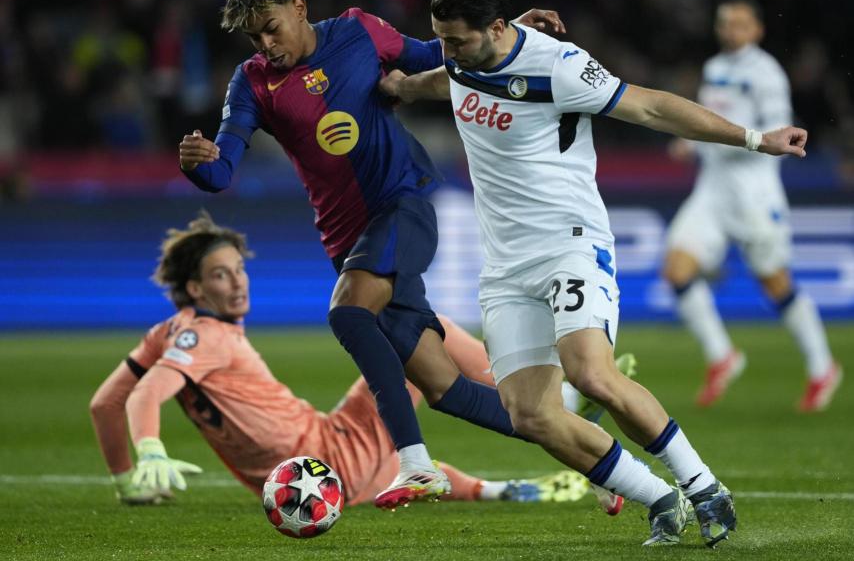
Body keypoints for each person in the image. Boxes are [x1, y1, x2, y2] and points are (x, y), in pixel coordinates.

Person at [379, 0, 809, 547]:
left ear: (496, 27)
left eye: (456, 40)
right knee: (530, 415)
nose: (448, 50)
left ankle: (704, 487)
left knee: (589, 373)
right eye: (441, 38)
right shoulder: (462, 58)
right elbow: (444, 80)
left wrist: (756, 139)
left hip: (569, 241)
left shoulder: (557, 65)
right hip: (506, 266)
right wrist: (400, 88)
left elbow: (651, 108)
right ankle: (658, 497)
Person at [177, 0, 568, 509]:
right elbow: (220, 173)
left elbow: (436, 54)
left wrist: (510, 34)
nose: (265, 43)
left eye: (271, 27)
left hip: (403, 206)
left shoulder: (359, 31)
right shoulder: (252, 82)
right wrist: (198, 162)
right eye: (254, 36)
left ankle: (414, 464)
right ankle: (590, 452)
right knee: (446, 391)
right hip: (348, 245)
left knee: (348, 312)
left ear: (299, 9)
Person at [88, 212, 623, 515]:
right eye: (221, 274)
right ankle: (567, 415)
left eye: (238, 269)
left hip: (310, 468)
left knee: (393, 424)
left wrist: (126, 480)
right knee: (423, 338)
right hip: (324, 459)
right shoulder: (205, 336)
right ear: (194, 288)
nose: (238, 281)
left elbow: (105, 403)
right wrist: (151, 446)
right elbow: (143, 396)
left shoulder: (166, 334)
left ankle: (501, 486)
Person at [661, 0, 842, 411]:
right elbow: (707, 117)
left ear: (757, 30)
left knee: (773, 280)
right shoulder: (715, 68)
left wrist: (719, 140)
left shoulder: (767, 73)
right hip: (712, 188)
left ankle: (822, 367)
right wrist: (691, 141)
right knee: (676, 268)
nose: (731, 30)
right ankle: (722, 355)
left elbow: (777, 133)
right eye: (725, 23)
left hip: (753, 191)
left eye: (740, 24)